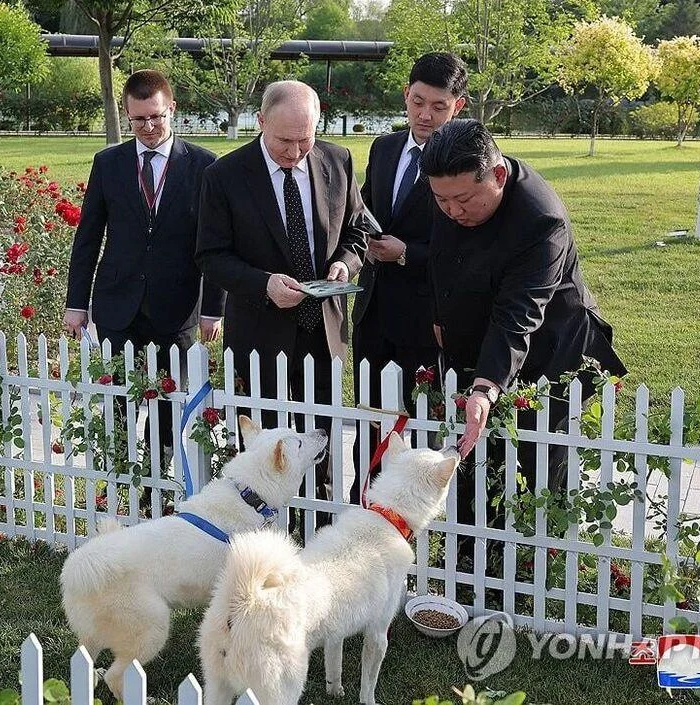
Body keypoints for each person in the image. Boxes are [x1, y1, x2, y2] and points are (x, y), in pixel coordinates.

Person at [421, 118, 627, 549]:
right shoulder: (451, 189)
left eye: (462, 200)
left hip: (548, 355)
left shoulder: (540, 220)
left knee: (534, 468)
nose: (452, 211)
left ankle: (530, 562)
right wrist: (443, 316)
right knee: (474, 460)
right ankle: (471, 555)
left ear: (496, 176)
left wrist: (485, 386)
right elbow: (443, 257)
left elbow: (519, 314)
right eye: (441, 200)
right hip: (481, 342)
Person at [196, 80, 370, 529]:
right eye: (284, 141)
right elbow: (210, 256)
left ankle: (321, 531)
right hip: (259, 333)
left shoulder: (338, 159)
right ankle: (266, 533)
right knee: (266, 444)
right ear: (260, 123)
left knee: (322, 437)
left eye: (305, 139)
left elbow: (356, 231)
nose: (295, 151)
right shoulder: (224, 176)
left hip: (322, 328)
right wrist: (262, 284)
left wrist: (345, 265)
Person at [64, 69, 225, 468]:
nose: (149, 127)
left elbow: (218, 243)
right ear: (126, 115)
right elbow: (88, 237)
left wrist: (212, 308)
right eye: (138, 120)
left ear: (172, 108)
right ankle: (122, 483)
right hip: (118, 307)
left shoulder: (205, 165)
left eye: (157, 116)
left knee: (168, 409)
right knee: (118, 404)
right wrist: (76, 302)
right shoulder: (108, 163)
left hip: (177, 310)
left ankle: (160, 480)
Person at [349, 52, 468, 505]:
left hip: (428, 315)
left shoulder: (465, 157)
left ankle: (421, 517)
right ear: (406, 95)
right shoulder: (383, 148)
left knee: (422, 427)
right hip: (374, 311)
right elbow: (363, 209)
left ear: (457, 106)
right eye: (418, 102)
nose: (425, 114)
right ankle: (367, 505)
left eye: (438, 106)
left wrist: (406, 255)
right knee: (372, 420)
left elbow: (466, 244)